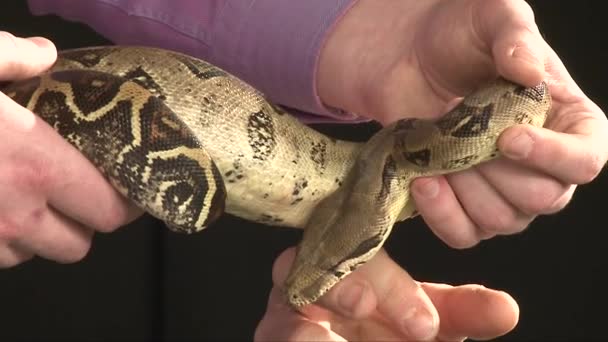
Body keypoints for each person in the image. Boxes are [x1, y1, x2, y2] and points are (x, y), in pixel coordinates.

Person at [1, 0, 606, 340]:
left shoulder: (409, 151)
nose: (305, 285)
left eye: (338, 261)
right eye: (335, 260)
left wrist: (385, 39)